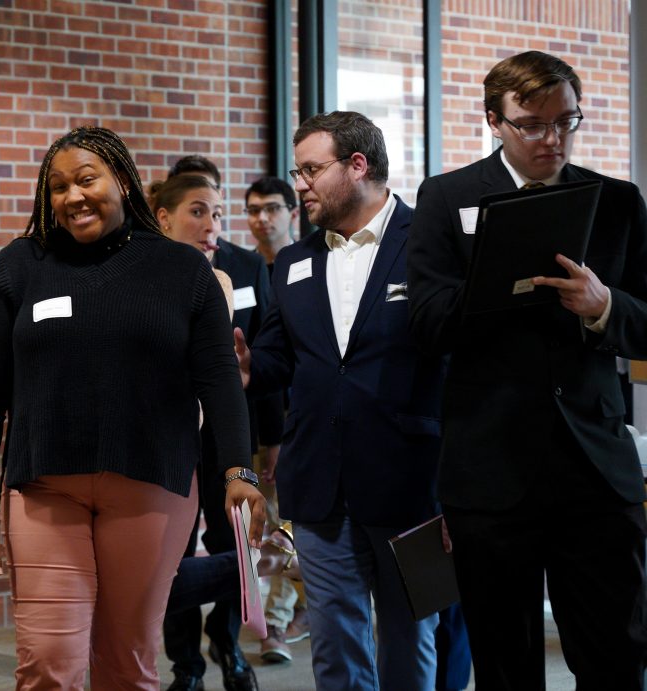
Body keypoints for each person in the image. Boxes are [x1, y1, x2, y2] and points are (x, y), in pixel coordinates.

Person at [0, 126, 266, 690]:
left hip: (151, 485)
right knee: (47, 661)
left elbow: (220, 381)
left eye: (85, 179)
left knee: (127, 662)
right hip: (45, 488)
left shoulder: (181, 270)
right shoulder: (18, 268)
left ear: (122, 181)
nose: (72, 196)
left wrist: (238, 470)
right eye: (56, 187)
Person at [407, 50, 647, 690]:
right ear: (494, 121)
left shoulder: (617, 202)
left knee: (618, 656)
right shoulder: (447, 197)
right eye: (532, 124)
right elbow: (426, 326)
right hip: (490, 471)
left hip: (595, 467)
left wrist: (605, 309)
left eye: (567, 121)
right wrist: (497, 284)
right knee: (506, 665)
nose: (553, 138)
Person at [234, 111, 445, 690]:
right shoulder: (296, 262)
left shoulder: (430, 241)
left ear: (358, 166)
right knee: (335, 646)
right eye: (297, 171)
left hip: (411, 482)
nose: (300, 185)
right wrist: (252, 367)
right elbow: (282, 355)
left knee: (407, 641)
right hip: (319, 483)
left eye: (310, 170)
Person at [159, 159, 278, 691]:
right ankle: (186, 664)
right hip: (169, 436)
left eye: (217, 212)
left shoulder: (245, 268)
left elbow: (268, 355)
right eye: (198, 211)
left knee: (233, 539)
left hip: (230, 432)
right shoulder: (145, 271)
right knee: (174, 552)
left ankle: (229, 644)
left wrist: (270, 438)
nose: (212, 224)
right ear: (164, 216)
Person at [243, 175, 311, 662]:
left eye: (271, 208)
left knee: (289, 518)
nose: (262, 218)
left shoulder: (305, 263)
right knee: (263, 523)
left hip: (294, 418)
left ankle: (278, 624)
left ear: (291, 211)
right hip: (249, 417)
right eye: (252, 210)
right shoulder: (241, 267)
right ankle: (290, 611)